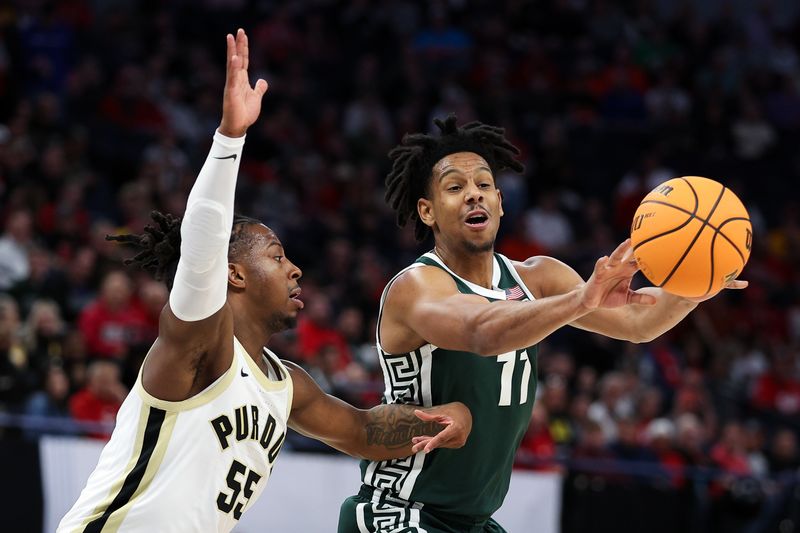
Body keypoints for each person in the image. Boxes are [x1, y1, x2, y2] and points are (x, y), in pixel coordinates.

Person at [58, 30, 471, 533]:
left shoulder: (287, 385)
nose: (296, 269)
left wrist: (441, 419)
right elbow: (201, 247)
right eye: (277, 257)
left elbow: (364, 430)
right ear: (232, 273)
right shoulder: (198, 344)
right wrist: (229, 139)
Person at [338, 116, 747, 532]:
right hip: (400, 513)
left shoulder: (538, 276)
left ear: (500, 201)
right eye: (455, 188)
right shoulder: (417, 286)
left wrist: (700, 280)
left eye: (483, 185)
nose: (473, 196)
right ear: (427, 211)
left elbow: (638, 321)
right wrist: (582, 299)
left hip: (474, 522)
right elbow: (482, 330)